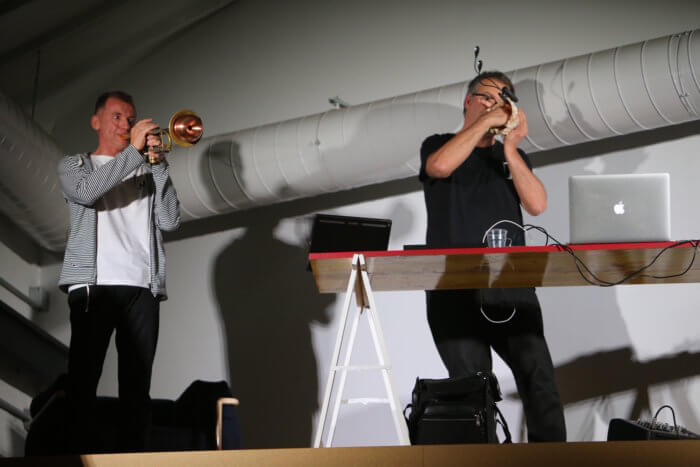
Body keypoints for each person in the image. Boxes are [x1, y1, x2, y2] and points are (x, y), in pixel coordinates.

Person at [419, 71, 566, 442]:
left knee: (539, 379)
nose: (496, 105)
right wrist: (486, 121)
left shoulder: (511, 158)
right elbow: (439, 167)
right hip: (453, 290)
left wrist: (512, 148)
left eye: (504, 99)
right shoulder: (438, 145)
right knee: (471, 392)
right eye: (488, 97)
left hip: (510, 288)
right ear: (468, 101)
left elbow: (537, 204)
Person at [57, 91, 181, 453]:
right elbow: (86, 192)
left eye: (130, 119)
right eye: (116, 117)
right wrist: (135, 155)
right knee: (83, 381)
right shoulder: (75, 165)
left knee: (137, 389)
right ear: (96, 122)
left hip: (142, 287)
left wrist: (158, 165)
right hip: (94, 285)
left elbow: (170, 221)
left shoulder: (145, 171)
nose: (125, 124)